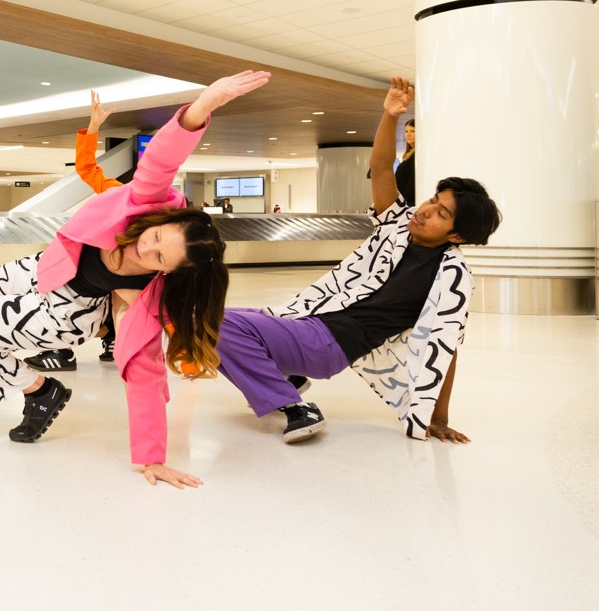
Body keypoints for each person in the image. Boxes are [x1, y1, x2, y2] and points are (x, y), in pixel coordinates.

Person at [0, 70, 270, 488]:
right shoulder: (143, 205)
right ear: (163, 219)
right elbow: (161, 160)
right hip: (45, 268)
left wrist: (152, 457)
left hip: (70, 310)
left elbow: (146, 372)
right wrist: (202, 107)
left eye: (160, 257)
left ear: (169, 272)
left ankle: (39, 391)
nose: (147, 249)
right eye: (156, 238)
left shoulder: (147, 291)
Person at [215, 77, 501, 445]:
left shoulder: (450, 274)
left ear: (457, 235)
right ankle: (285, 380)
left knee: (217, 324)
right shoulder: (398, 226)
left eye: (441, 214)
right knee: (202, 321)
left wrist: (439, 418)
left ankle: (294, 407)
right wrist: (389, 115)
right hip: (312, 319)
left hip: (330, 342)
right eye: (432, 200)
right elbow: (382, 169)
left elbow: (444, 345)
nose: (427, 211)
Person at [25, 89, 123, 373]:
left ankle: (112, 339)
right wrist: (93, 128)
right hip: (91, 256)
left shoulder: (156, 207)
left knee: (116, 299)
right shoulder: (119, 190)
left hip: (120, 264)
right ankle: (69, 346)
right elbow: (87, 168)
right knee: (64, 297)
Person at [394, 118, 416, 206]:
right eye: (406, 131)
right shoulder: (408, 155)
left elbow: (413, 182)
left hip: (409, 204)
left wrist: (403, 201)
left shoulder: (417, 155)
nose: (408, 134)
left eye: (412, 131)